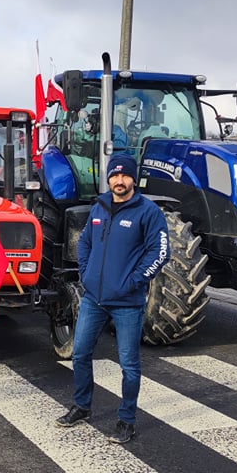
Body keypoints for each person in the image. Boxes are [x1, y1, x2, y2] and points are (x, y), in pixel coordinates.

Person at [56, 153, 169, 443]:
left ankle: (126, 420)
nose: (119, 181)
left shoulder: (147, 212)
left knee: (129, 365)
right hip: (94, 298)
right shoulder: (99, 207)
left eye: (125, 176)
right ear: (109, 178)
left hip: (128, 302)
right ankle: (82, 406)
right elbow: (85, 243)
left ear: (133, 179)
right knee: (80, 354)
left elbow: (159, 252)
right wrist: (86, 272)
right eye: (115, 176)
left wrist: (135, 281)